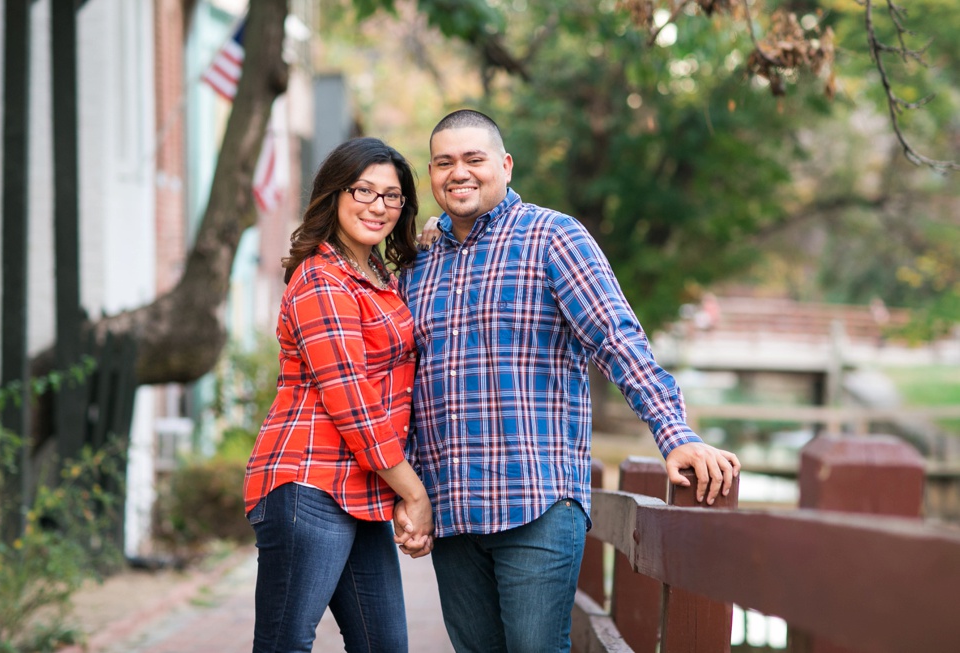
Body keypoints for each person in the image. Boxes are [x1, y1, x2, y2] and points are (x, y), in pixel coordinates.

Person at [394, 109, 741, 653]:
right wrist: (409, 489)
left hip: (536, 502)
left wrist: (675, 433)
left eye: (473, 159)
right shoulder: (417, 262)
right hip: (453, 510)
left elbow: (616, 338)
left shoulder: (553, 237)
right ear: (431, 174)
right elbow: (406, 385)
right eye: (444, 162)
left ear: (505, 166)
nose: (458, 172)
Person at [244, 137, 434, 653]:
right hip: (311, 482)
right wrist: (414, 492)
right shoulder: (323, 280)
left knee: (384, 645)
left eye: (392, 197)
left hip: (364, 491)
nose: (377, 206)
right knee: (285, 644)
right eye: (363, 190)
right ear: (334, 193)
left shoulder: (375, 276)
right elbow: (353, 400)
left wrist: (437, 234)